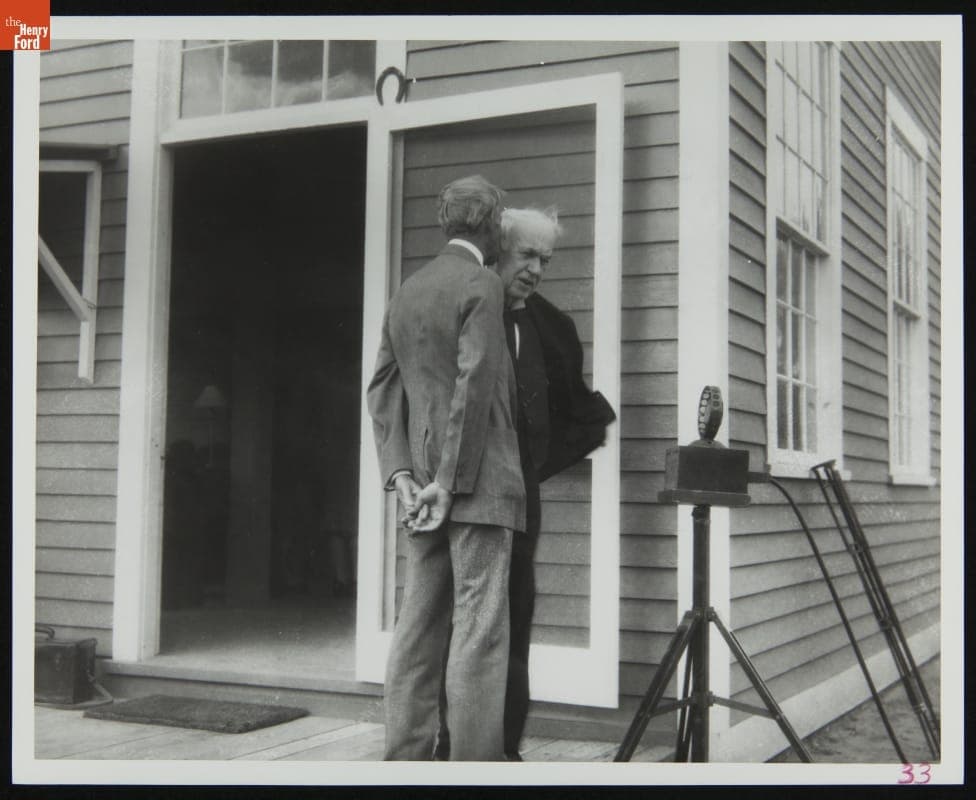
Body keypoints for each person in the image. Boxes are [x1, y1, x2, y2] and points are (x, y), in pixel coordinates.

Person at [434, 207, 616, 761]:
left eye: (546, 259)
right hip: (452, 493)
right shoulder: (458, 309)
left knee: (513, 619)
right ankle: (449, 746)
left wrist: (528, 469)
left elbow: (580, 417)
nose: (537, 269)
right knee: (453, 618)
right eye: (526, 256)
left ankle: (503, 751)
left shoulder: (553, 327)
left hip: (518, 497)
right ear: (496, 250)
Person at [366, 175, 526, 761]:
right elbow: (475, 383)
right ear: (492, 224)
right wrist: (448, 483)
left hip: (423, 492)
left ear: (445, 222)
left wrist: (403, 475)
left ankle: (403, 761)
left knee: (418, 627)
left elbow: (381, 389)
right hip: (475, 487)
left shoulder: (407, 289)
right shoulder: (481, 280)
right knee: (479, 635)